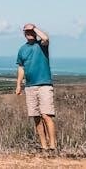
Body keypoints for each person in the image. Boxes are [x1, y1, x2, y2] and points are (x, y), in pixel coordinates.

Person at [15, 23, 56, 151]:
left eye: (31, 31)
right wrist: (18, 85)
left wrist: (34, 28)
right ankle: (44, 146)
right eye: (27, 32)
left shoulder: (41, 45)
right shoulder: (22, 49)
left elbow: (46, 38)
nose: (29, 33)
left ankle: (53, 146)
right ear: (24, 34)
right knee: (36, 117)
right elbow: (21, 67)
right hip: (30, 86)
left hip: (44, 85)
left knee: (46, 115)